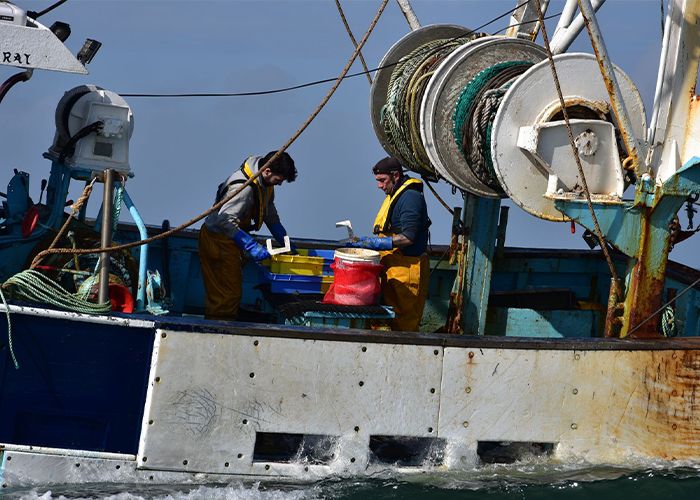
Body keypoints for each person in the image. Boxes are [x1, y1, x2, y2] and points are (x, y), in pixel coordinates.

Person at [199, 151, 297, 320]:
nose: (279, 185)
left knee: (232, 289)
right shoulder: (243, 188)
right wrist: (250, 245)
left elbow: (269, 211)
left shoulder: (265, 183)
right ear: (267, 171)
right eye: (278, 181)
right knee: (226, 294)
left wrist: (283, 237)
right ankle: (219, 328)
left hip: (232, 241)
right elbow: (224, 221)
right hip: (218, 240)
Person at [348, 156, 430, 331]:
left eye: (382, 180)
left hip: (406, 269)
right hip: (392, 267)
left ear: (396, 176)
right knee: (386, 318)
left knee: (404, 321)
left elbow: (408, 237)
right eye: (377, 181)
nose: (379, 185)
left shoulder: (410, 198)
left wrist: (377, 243)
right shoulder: (394, 193)